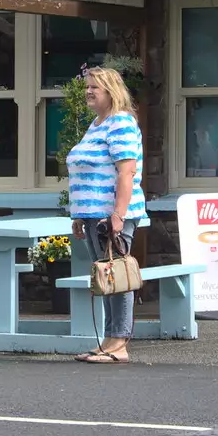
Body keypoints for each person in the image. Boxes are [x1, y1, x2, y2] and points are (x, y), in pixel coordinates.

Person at [67, 66, 146, 365]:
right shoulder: (97, 123)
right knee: (106, 278)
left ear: (111, 91)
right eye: (87, 86)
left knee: (118, 276)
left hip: (110, 216)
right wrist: (78, 213)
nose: (88, 91)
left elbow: (127, 171)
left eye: (94, 88)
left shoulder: (121, 122)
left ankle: (119, 343)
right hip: (91, 215)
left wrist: (117, 214)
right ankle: (108, 341)